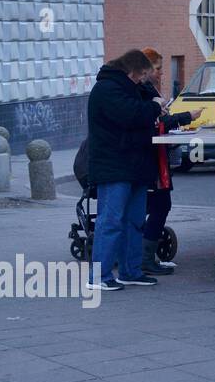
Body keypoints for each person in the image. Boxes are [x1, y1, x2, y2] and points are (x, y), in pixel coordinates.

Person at [85, 50, 166, 291]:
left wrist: (153, 98)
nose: (144, 80)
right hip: (114, 166)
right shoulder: (107, 89)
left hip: (135, 166)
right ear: (130, 71)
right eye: (142, 75)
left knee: (134, 221)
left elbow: (144, 107)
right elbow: (130, 115)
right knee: (111, 221)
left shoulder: (132, 87)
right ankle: (99, 276)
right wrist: (153, 106)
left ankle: (130, 272)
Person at [138, 48, 204, 274]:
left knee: (158, 204)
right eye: (158, 69)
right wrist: (187, 117)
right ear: (145, 69)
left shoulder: (146, 90)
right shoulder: (144, 92)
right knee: (159, 204)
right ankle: (144, 256)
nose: (161, 74)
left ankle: (144, 253)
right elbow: (156, 123)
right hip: (151, 160)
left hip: (155, 158)